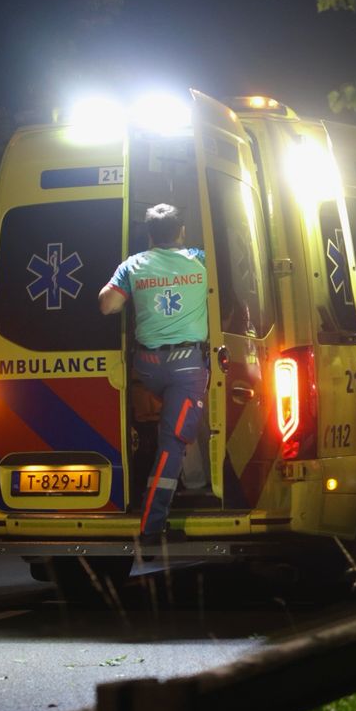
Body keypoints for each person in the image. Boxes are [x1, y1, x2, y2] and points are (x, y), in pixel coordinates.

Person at [98, 203, 209, 544]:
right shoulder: (200, 259)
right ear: (182, 231)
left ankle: (191, 480)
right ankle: (151, 524)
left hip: (146, 369)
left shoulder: (133, 265)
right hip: (187, 366)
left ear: (149, 235)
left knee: (178, 428)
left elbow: (107, 305)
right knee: (172, 442)